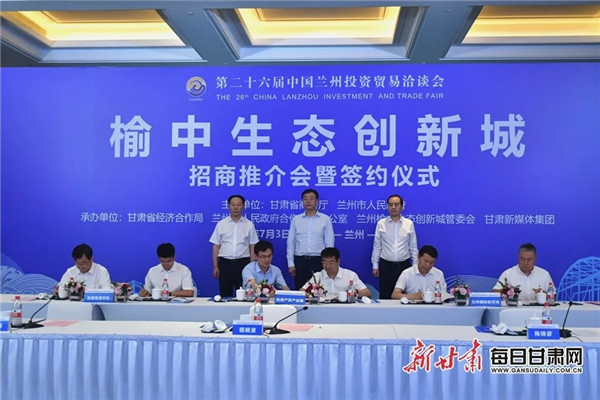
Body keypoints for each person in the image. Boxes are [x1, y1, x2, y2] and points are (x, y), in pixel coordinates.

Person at [210, 194, 259, 297]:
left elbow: (252, 246)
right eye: (233, 205)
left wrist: (251, 267)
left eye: (239, 205)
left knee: (244, 294)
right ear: (228, 206)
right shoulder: (221, 224)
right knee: (225, 294)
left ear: (243, 206)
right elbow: (216, 246)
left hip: (243, 264)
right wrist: (215, 266)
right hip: (225, 264)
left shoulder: (249, 225)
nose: (235, 207)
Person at [371, 194, 418, 299]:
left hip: (404, 266)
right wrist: (375, 265)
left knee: (404, 297)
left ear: (402, 207)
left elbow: (413, 247)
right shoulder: (381, 224)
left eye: (396, 205)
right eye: (390, 205)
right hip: (386, 265)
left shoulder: (409, 224)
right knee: (385, 297)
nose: (393, 207)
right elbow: (377, 246)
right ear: (387, 206)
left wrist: (415, 266)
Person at [287, 188, 334, 290]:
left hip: (318, 261)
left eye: (311, 198)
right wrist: (291, 263)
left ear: (317, 201)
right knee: (300, 290)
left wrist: (328, 262)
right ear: (302, 201)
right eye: (305, 199)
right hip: (300, 261)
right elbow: (291, 242)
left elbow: (329, 242)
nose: (308, 201)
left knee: (319, 290)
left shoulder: (325, 219)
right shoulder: (296, 219)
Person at [302, 247, 370, 300]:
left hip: (345, 308)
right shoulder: (317, 276)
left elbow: (367, 292)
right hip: (323, 308)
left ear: (338, 261)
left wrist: (355, 292)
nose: (327, 266)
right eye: (324, 262)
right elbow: (302, 291)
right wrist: (311, 294)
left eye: (331, 263)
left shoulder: (350, 275)